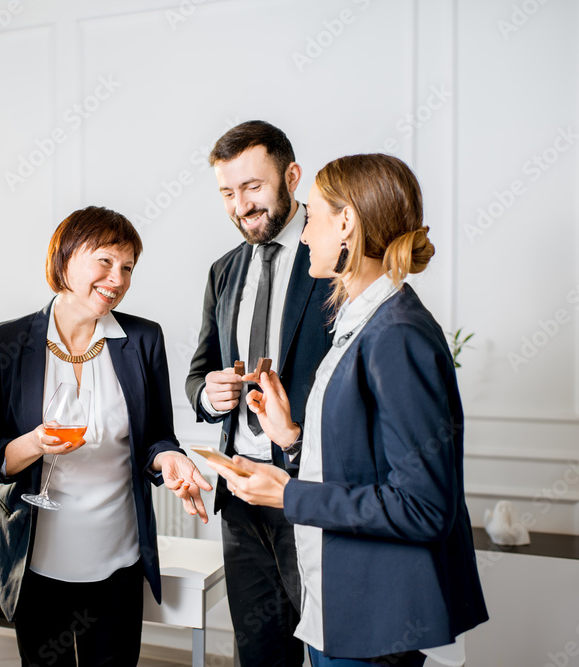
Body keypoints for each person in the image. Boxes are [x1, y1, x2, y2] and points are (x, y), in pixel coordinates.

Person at [208, 154, 489, 666]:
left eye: (311, 217)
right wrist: (290, 437)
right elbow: (359, 462)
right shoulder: (361, 320)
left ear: (346, 224)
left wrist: (289, 494)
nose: (305, 233)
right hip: (337, 606)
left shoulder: (397, 333)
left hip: (373, 619)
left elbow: (424, 508)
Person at [0, 206, 211, 667]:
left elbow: (157, 437)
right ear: (65, 258)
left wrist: (170, 459)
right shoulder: (7, 342)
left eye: (128, 268)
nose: (116, 278)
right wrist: (35, 443)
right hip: (35, 562)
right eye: (105, 261)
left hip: (117, 560)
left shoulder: (143, 339)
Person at [185, 120, 333, 665]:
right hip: (241, 495)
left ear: (291, 177)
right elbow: (198, 370)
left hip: (310, 491)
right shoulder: (222, 271)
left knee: (325, 648)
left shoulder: (332, 261)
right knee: (260, 653)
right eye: (227, 192)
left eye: (252, 187)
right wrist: (209, 394)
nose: (240, 205)